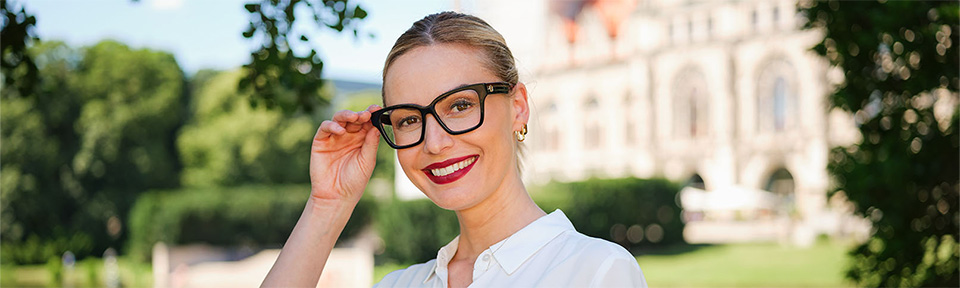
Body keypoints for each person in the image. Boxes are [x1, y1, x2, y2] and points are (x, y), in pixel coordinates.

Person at [261, 11, 647, 288]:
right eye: (410, 119)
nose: (435, 142)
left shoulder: (596, 272)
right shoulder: (399, 284)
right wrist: (328, 205)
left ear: (518, 107)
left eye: (460, 106)